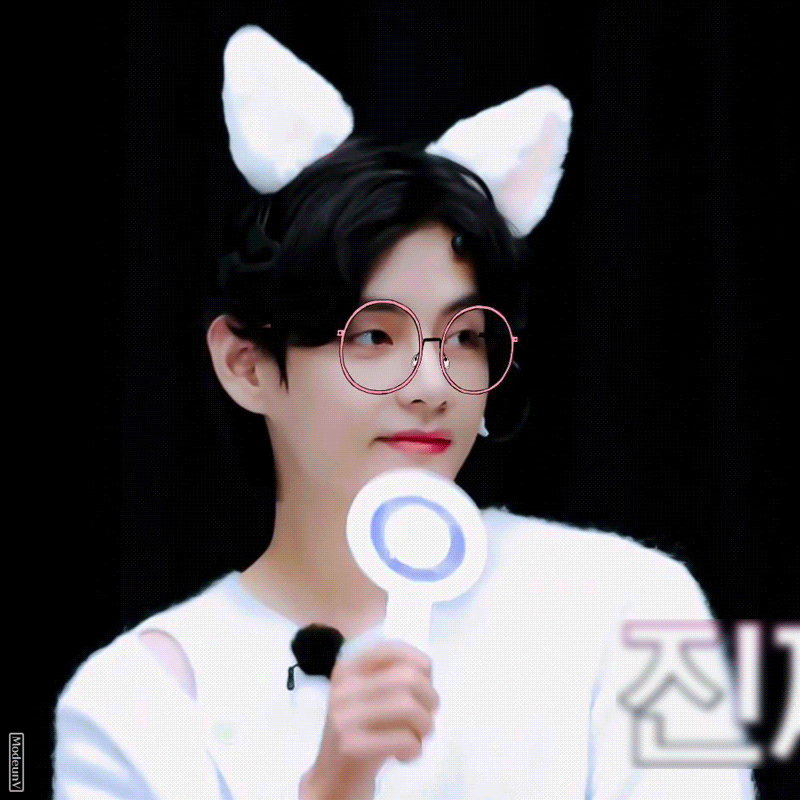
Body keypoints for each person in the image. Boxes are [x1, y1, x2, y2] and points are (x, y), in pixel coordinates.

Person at [53, 24, 758, 800]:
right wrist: (331, 788)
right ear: (246, 365)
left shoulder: (643, 604)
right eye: (374, 336)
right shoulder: (129, 705)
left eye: (465, 337)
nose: (432, 384)